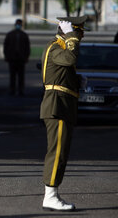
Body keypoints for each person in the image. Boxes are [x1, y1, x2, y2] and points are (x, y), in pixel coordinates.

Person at [40, 15, 88, 211]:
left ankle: (52, 194)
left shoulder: (60, 46)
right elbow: (69, 58)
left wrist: (76, 81)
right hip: (57, 106)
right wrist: (71, 37)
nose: (81, 36)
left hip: (63, 105)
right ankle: (50, 196)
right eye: (79, 32)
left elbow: (61, 74)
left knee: (62, 151)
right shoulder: (55, 47)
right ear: (69, 31)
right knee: (57, 152)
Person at [3, 19, 30, 96]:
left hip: (21, 58)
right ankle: (12, 90)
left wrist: (26, 56)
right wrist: (6, 56)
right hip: (12, 58)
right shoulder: (10, 35)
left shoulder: (24, 35)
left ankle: (20, 90)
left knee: (21, 76)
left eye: (19, 24)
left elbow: (27, 47)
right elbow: (6, 46)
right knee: (12, 76)